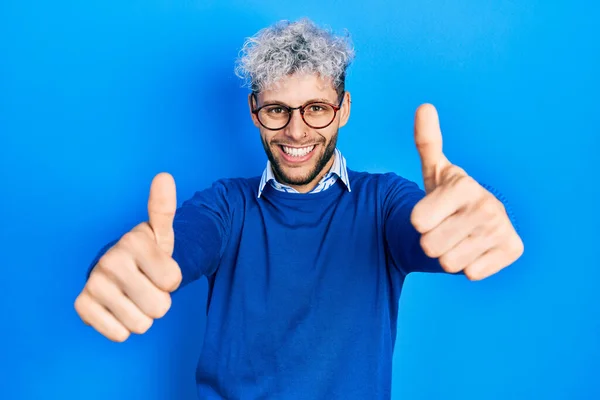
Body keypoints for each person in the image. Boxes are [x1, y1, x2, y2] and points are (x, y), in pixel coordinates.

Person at [74, 18, 524, 399]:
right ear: (254, 112)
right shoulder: (227, 206)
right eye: (277, 110)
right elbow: (168, 248)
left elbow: (430, 231)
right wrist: (125, 265)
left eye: (315, 108)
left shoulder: (384, 202)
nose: (296, 131)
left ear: (343, 109)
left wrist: (472, 223)